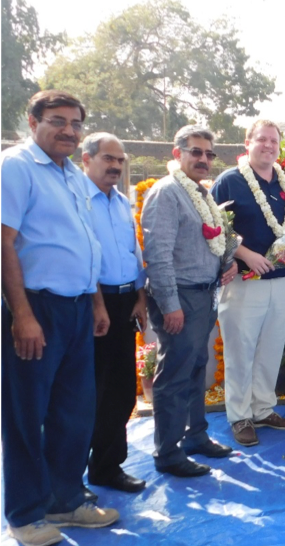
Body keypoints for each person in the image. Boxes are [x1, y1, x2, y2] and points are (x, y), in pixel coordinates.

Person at [1, 91, 119, 546]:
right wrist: (23, 315)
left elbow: (83, 243)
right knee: (27, 415)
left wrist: (95, 303)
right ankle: (25, 513)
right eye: (57, 121)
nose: (68, 130)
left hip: (76, 310)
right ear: (33, 123)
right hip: (37, 308)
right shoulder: (16, 167)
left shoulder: (71, 174)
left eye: (75, 123)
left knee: (74, 413)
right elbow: (4, 242)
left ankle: (65, 501)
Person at [142, 125, 238, 478]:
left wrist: (227, 263)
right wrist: (170, 305)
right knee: (174, 376)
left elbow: (210, 242)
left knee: (197, 368)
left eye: (209, 154)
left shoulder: (202, 194)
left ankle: (195, 435)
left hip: (204, 294)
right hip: (180, 297)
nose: (203, 159)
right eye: (195, 151)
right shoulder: (167, 193)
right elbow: (158, 254)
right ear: (176, 153)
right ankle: (167, 453)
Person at [212, 120, 285, 446]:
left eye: (273, 141)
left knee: (270, 349)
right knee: (240, 350)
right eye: (261, 139)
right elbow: (213, 228)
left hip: (280, 280)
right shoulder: (229, 182)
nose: (268, 145)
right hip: (243, 282)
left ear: (279, 146)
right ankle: (239, 416)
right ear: (247, 143)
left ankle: (263, 409)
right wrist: (246, 254)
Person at [81, 133, 149, 495]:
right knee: (88, 392)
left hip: (124, 303)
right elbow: (85, 259)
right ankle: (67, 481)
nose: (116, 166)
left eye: (120, 160)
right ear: (86, 159)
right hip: (93, 303)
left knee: (122, 392)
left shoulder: (122, 202)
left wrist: (140, 297)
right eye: (108, 158)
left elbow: (133, 253)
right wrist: (97, 305)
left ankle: (107, 468)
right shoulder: (79, 201)